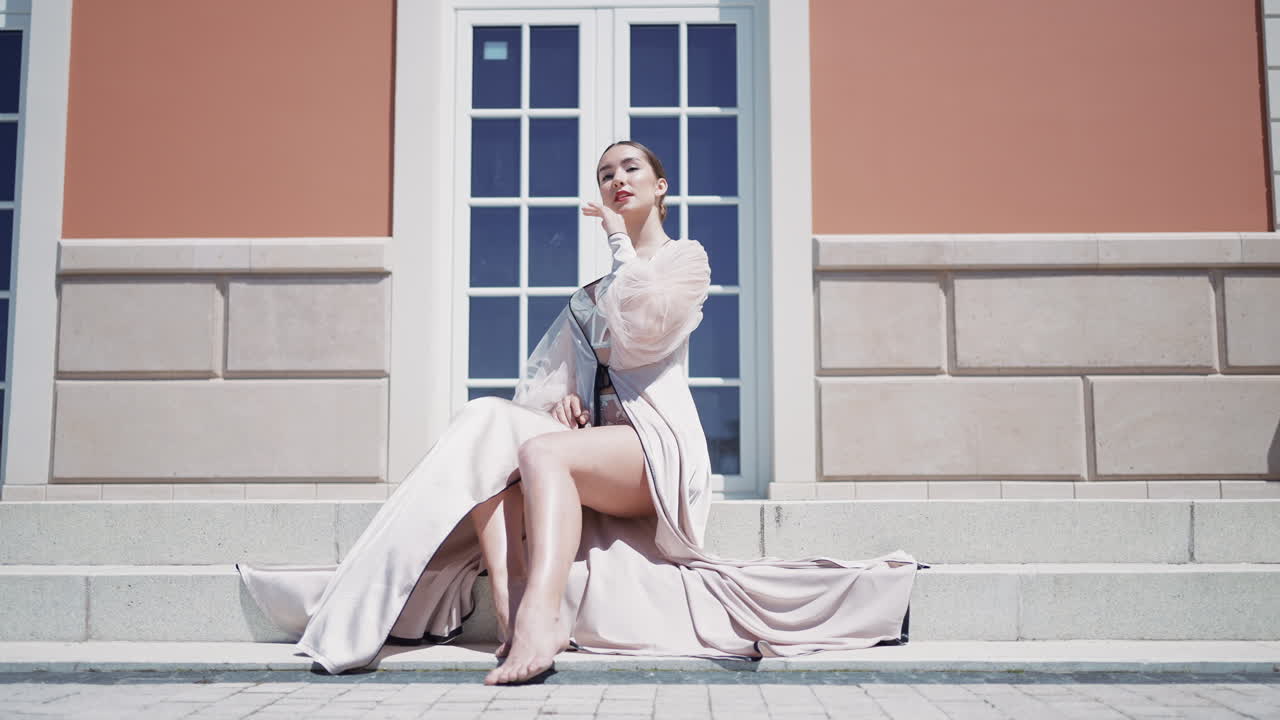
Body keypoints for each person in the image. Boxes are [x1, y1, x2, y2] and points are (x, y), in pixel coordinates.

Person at [236, 140, 919, 686]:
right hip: (595, 450)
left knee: (537, 453)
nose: (616, 180)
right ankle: (511, 612)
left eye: (630, 169)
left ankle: (542, 613)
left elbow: (645, 333)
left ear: (659, 188)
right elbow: (547, 384)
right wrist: (559, 403)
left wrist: (623, 246)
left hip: (658, 447)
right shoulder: (589, 293)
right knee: (488, 426)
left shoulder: (685, 260)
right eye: (604, 174)